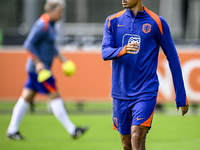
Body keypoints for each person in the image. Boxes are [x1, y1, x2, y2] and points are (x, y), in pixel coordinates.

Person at [101, 0, 189, 150]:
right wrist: (123, 50)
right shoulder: (112, 21)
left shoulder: (157, 22)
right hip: (120, 92)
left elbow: (173, 59)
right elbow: (105, 52)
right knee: (126, 144)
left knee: (137, 136)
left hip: (145, 91)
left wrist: (181, 95)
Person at [7, 1, 88, 140]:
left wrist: (61, 57)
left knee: (26, 98)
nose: (61, 14)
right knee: (55, 96)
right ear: (50, 11)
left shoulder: (51, 25)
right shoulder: (42, 25)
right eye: (59, 11)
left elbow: (49, 45)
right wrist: (38, 63)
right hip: (40, 72)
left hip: (37, 70)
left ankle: (12, 131)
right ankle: (72, 130)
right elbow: (28, 44)